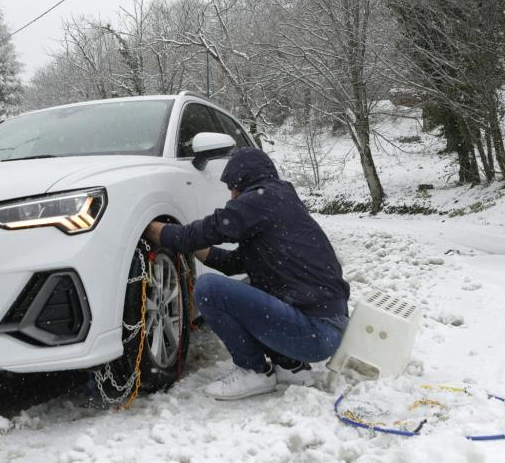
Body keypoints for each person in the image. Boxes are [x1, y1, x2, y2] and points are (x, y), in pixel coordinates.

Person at [144, 147, 350, 401]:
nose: (231, 196)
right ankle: (290, 367)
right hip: (326, 326)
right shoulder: (280, 202)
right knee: (251, 284)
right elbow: (234, 262)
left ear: (245, 181)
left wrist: (149, 227)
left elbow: (202, 231)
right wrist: (191, 246)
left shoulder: (260, 200)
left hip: (315, 333)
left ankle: (254, 371)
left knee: (209, 289)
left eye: (233, 187)